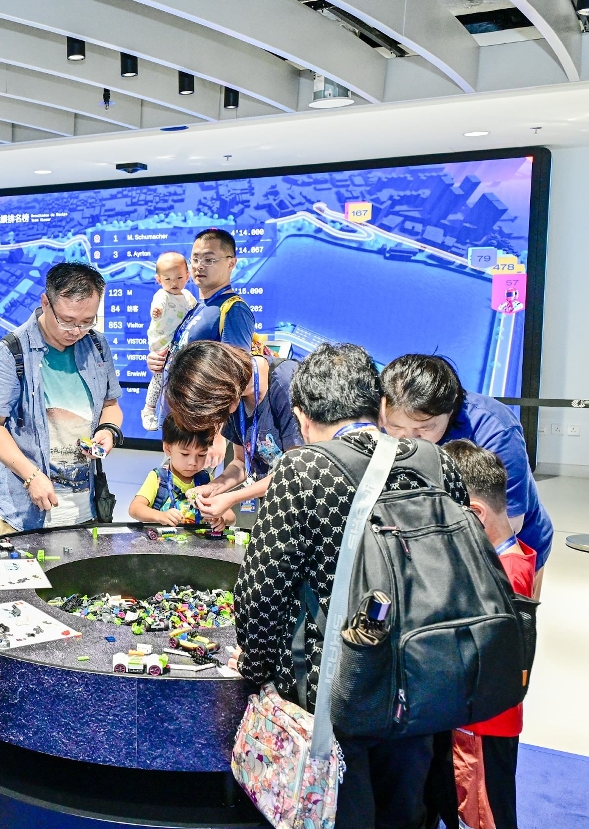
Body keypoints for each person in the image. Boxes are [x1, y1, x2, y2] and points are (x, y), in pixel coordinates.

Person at [231, 342, 472, 828]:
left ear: (302, 416)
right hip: (420, 681)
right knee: (406, 808)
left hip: (335, 690)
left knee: (343, 811)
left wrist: (256, 671)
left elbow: (261, 593)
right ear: (377, 404)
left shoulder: (304, 468)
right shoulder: (435, 462)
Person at [427, 439, 536, 829]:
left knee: (486, 814)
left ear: (474, 513)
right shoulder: (506, 562)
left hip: (481, 726)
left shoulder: (503, 576)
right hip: (474, 719)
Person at [378, 354, 554, 596]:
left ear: (451, 409)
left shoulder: (496, 429)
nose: (407, 438)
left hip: (502, 547)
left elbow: (509, 521)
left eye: (424, 428)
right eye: (395, 427)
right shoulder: (376, 418)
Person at [0, 262, 124, 533]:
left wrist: (108, 430)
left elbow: (111, 404)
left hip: (86, 506)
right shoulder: (8, 353)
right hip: (25, 511)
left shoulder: (96, 345)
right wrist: (31, 476)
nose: (76, 331)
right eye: (67, 320)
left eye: (87, 321)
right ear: (46, 303)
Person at [160, 341, 302, 523]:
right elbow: (241, 462)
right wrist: (214, 487)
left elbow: (295, 469)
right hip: (277, 511)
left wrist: (232, 498)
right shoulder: (236, 397)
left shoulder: (285, 382)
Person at [145, 228, 256, 440]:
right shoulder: (195, 307)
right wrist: (158, 360)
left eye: (209, 259)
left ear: (231, 263)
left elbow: (235, 378)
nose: (199, 266)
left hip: (202, 434)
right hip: (177, 426)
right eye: (195, 259)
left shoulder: (233, 309)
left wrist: (219, 437)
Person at [128, 415, 228, 526]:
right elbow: (135, 509)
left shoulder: (207, 480)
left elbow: (230, 516)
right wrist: (160, 516)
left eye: (201, 455)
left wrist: (220, 518)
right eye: (185, 454)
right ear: (167, 448)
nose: (193, 462)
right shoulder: (159, 478)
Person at [141, 252, 196, 432]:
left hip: (177, 344)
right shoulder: (162, 295)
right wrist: (156, 311)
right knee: (159, 377)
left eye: (179, 277)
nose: (174, 283)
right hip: (162, 343)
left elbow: (196, 311)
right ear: (158, 280)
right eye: (168, 279)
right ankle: (149, 410)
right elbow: (157, 307)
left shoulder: (188, 296)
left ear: (187, 276)